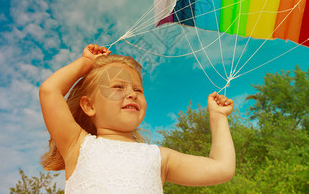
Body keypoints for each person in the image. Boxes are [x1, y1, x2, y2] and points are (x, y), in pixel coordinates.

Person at [40, 44, 235, 193]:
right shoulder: (77, 145)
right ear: (89, 106)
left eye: (138, 89)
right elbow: (50, 91)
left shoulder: (160, 157)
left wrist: (218, 118)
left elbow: (222, 168)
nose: (132, 94)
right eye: (118, 87)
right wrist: (87, 62)